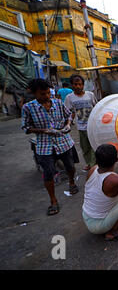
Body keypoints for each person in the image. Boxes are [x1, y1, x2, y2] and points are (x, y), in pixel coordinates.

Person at [21, 78, 78, 216]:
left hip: (63, 141)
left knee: (70, 166)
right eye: (42, 94)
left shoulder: (58, 103)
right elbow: (25, 127)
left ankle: (71, 182)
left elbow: (69, 115)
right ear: (34, 93)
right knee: (48, 173)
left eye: (48, 93)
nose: (46, 96)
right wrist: (44, 131)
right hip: (44, 145)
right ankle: (53, 200)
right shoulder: (28, 108)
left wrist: (68, 124)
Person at [65, 74, 97, 171]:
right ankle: (89, 163)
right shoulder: (69, 98)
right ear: (72, 85)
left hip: (92, 126)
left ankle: (93, 164)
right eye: (75, 84)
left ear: (83, 85)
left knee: (94, 146)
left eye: (79, 84)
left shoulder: (90, 95)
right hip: (81, 127)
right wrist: (68, 124)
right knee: (85, 147)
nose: (77, 86)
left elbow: (96, 108)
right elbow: (69, 113)